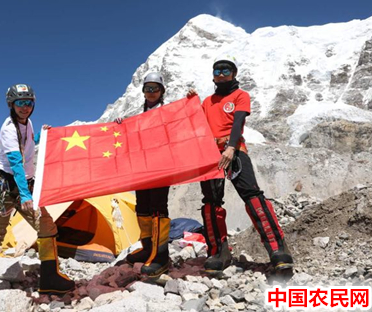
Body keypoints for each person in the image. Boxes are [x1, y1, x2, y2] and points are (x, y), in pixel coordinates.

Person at [0, 84, 75, 311]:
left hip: (27, 183)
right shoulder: (7, 129)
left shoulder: (29, 123)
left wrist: (46, 134)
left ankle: (51, 277)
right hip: (6, 186)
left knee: (46, 226)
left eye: (29, 103)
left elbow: (29, 148)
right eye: (20, 103)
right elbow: (15, 164)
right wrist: (24, 194)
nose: (25, 108)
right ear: (11, 105)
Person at [187, 56, 294, 275]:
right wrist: (191, 102)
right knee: (211, 202)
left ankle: (277, 249)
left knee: (252, 195)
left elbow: (237, 123)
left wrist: (231, 147)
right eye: (217, 70)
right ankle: (218, 253)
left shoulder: (240, 95)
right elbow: (196, 123)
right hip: (210, 155)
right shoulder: (207, 102)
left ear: (234, 73)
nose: (221, 74)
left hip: (234, 150)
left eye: (226, 70)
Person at [116, 72, 171, 278]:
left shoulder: (168, 111)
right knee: (143, 208)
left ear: (162, 91)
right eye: (147, 89)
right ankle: (148, 248)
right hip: (142, 167)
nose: (151, 92)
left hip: (161, 166)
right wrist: (121, 125)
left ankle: (161, 256)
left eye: (155, 88)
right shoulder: (138, 115)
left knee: (158, 208)